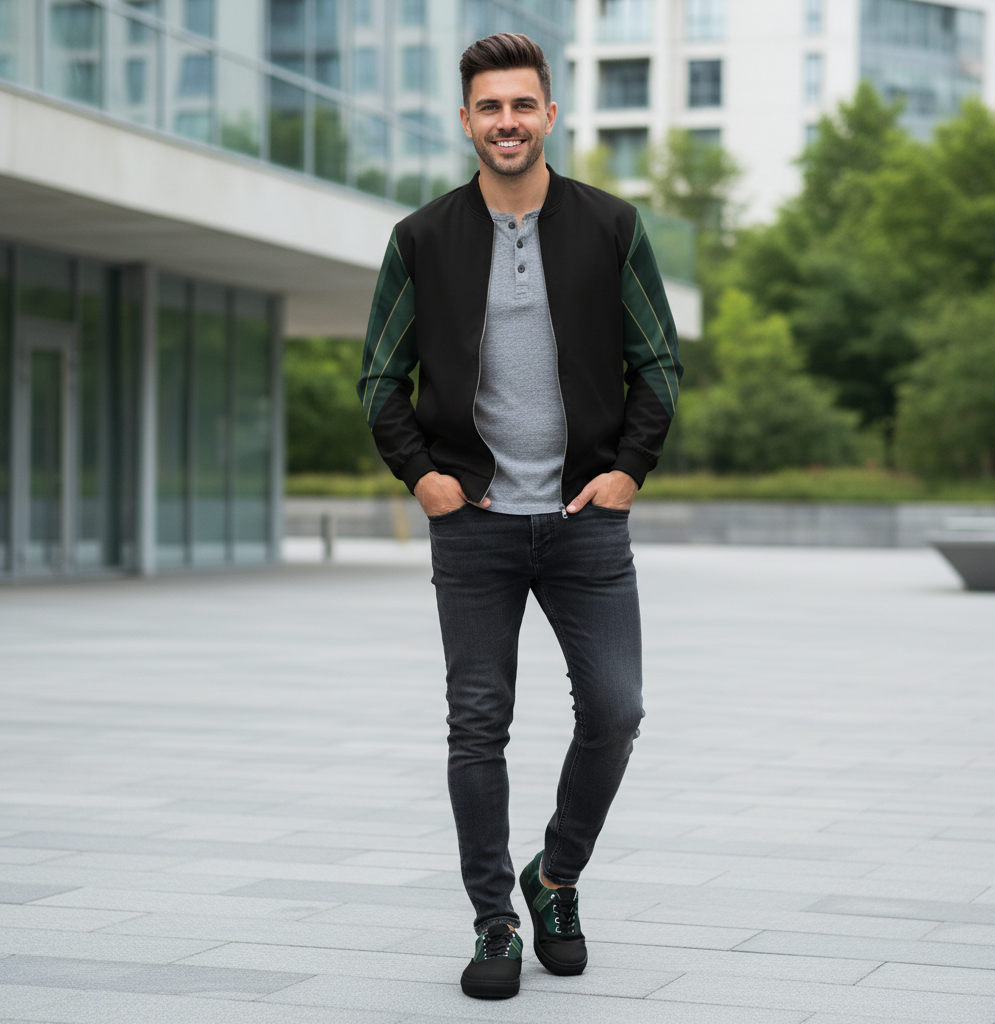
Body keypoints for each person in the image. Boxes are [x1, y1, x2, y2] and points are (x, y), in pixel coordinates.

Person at [358, 32, 682, 1000]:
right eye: (490, 107)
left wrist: (627, 472)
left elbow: (658, 363)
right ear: (466, 120)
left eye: (522, 105)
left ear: (550, 114)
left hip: (586, 520)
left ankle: (556, 878)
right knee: (477, 723)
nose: (507, 121)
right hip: (476, 522)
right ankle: (494, 919)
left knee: (616, 711)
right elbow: (380, 378)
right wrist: (425, 479)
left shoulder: (610, 225)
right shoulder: (421, 238)